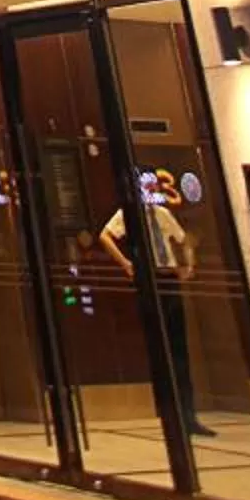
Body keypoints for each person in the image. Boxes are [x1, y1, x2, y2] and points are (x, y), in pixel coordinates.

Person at [98, 183, 216, 440]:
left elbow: (184, 240)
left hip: (168, 276)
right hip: (149, 277)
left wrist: (189, 265)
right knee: (158, 346)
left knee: (179, 348)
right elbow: (105, 236)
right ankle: (169, 413)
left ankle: (188, 415)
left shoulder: (162, 214)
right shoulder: (127, 215)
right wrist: (127, 264)